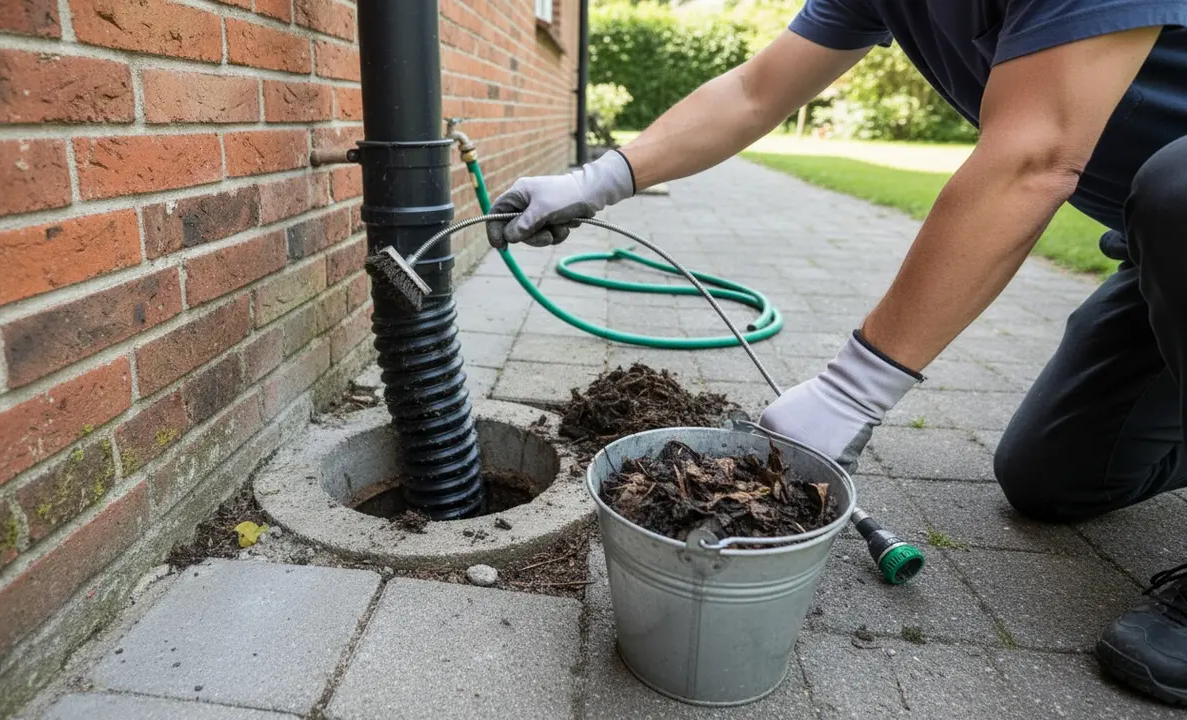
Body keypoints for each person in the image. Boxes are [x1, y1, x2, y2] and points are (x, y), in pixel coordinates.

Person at [486, 0, 1187, 706]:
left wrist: (852, 391)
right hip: (1166, 255)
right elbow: (756, 90)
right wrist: (595, 181)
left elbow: (1035, 157)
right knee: (1057, 479)